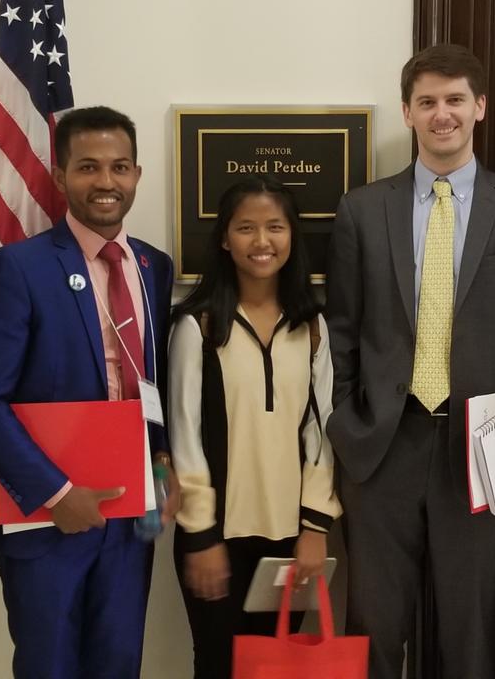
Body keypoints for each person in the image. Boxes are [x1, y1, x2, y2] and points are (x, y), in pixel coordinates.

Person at [325, 43, 495, 678]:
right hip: (383, 447)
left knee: (474, 629)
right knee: (374, 625)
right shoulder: (362, 209)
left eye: (456, 100)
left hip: (487, 450)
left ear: (480, 106)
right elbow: (342, 333)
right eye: (428, 101)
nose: (443, 114)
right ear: (407, 112)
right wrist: (347, 426)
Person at [0, 106, 178, 679]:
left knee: (119, 662)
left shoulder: (153, 265)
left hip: (130, 512)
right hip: (46, 516)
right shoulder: (20, 268)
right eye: (88, 166)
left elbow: (151, 378)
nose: (106, 181)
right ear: (60, 176)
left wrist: (161, 463)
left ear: (137, 174)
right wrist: (56, 493)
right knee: (49, 666)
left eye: (119, 167)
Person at [168, 175, 341, 678]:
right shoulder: (199, 325)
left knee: (276, 668)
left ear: (292, 236)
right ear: (225, 238)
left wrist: (315, 529)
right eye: (245, 227)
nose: (261, 241)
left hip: (290, 541)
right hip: (216, 537)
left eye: (274, 227)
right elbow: (184, 436)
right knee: (219, 666)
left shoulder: (312, 327)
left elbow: (321, 433)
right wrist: (200, 536)